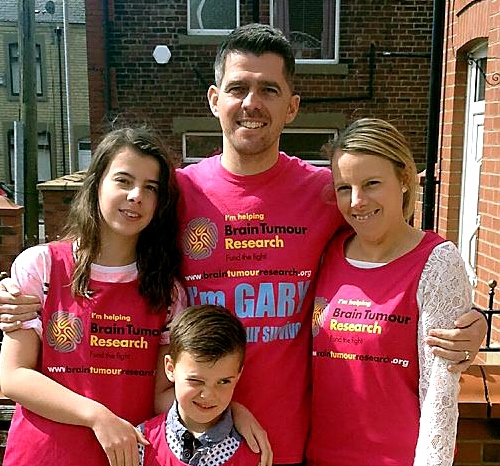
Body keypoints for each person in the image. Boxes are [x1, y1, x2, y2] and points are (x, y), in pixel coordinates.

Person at [0, 23, 487, 466]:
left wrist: (462, 325)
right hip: (184, 442)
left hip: (287, 443)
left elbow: (387, 255)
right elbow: (107, 244)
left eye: (269, 89)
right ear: (215, 99)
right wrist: (19, 290)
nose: (252, 102)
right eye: (238, 88)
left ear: (291, 106)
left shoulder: (327, 193)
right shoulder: (175, 194)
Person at [0, 127, 185, 466]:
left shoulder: (169, 292)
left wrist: (229, 417)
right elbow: (12, 377)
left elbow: (164, 397)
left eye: (150, 188)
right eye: (124, 181)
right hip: (42, 456)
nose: (136, 196)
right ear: (97, 183)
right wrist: (97, 416)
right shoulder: (42, 266)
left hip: (129, 457)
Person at [307, 118, 471, 465]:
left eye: (372, 184)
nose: (357, 201)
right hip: (320, 456)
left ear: (405, 180)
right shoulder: (325, 253)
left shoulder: (437, 262)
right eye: (343, 188)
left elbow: (439, 390)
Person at [137, 304, 259, 466]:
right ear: (170, 368)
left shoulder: (253, 451)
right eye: (196, 381)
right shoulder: (142, 443)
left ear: (238, 376)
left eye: (223, 382)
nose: (208, 395)